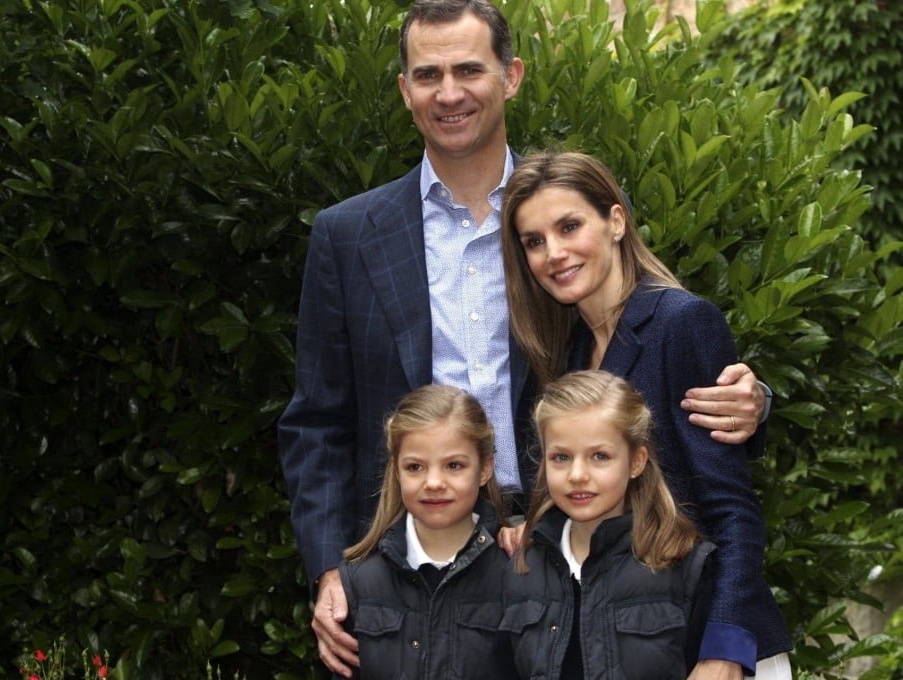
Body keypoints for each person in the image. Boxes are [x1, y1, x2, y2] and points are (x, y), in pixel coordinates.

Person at [277, 1, 766, 675]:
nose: (449, 93)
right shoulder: (346, 234)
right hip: (408, 568)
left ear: (510, 76)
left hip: (563, 555)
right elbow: (318, 421)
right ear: (404, 90)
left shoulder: (556, 218)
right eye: (428, 75)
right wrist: (330, 566)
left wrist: (752, 400)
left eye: (469, 69)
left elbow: (649, 341)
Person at [500, 151, 793, 679]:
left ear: (616, 222)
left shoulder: (681, 322)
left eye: (569, 227)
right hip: (627, 645)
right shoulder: (561, 354)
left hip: (706, 641)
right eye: (534, 241)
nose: (554, 253)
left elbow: (731, 508)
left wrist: (725, 649)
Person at [497, 370, 717, 679]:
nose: (577, 475)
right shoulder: (522, 567)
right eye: (561, 457)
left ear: (637, 461)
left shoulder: (684, 564)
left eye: (599, 456)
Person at [337, 384, 507, 679]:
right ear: (396, 470)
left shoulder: (516, 571)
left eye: (454, 465)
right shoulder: (357, 580)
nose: (434, 483)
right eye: (415, 467)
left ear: (484, 468)